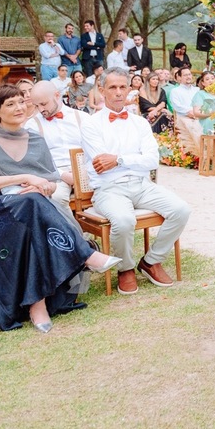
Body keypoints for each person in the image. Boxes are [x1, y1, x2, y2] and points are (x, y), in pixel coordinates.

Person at [0, 85, 120, 332]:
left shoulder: (37, 140)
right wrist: (24, 177)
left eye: (20, 102)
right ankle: (85, 254)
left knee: (35, 204)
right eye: (10, 105)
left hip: (30, 209)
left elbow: (49, 182)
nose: (19, 108)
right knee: (34, 203)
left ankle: (37, 304)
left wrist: (44, 187)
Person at [80, 70, 190, 295]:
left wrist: (119, 159)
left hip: (142, 186)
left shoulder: (140, 123)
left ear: (130, 89)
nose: (119, 93)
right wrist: (132, 160)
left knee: (181, 210)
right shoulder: (91, 124)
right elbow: (102, 162)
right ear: (102, 90)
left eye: (123, 87)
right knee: (123, 220)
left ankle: (151, 261)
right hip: (109, 189)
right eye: (112, 88)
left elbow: (152, 160)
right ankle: (126, 268)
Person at [28, 82, 88, 219]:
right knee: (56, 198)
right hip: (55, 174)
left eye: (43, 104)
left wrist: (82, 171)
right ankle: (76, 236)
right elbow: (37, 160)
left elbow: (95, 150)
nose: (41, 109)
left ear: (57, 95)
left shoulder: (82, 118)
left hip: (85, 170)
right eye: (36, 106)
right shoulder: (32, 124)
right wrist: (61, 174)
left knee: (107, 192)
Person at [168, 68, 201, 156]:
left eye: (189, 74)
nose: (188, 77)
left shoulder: (197, 90)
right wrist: (190, 111)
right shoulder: (175, 91)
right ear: (179, 78)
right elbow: (177, 106)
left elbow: (201, 103)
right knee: (194, 127)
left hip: (198, 115)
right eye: (185, 75)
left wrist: (196, 112)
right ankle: (197, 153)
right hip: (183, 117)